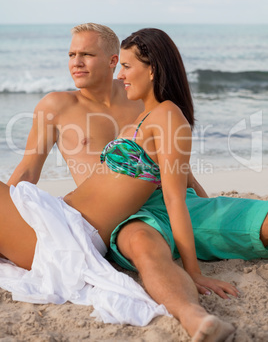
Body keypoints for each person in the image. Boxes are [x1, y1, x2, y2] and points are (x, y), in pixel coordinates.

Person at [0, 27, 236, 341]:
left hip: (89, 230)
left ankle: (194, 317)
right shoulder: (57, 105)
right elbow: (28, 171)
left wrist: (203, 218)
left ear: (113, 61)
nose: (76, 62)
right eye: (72, 54)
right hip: (59, 217)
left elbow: (182, 177)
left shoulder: (143, 104)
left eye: (86, 54)